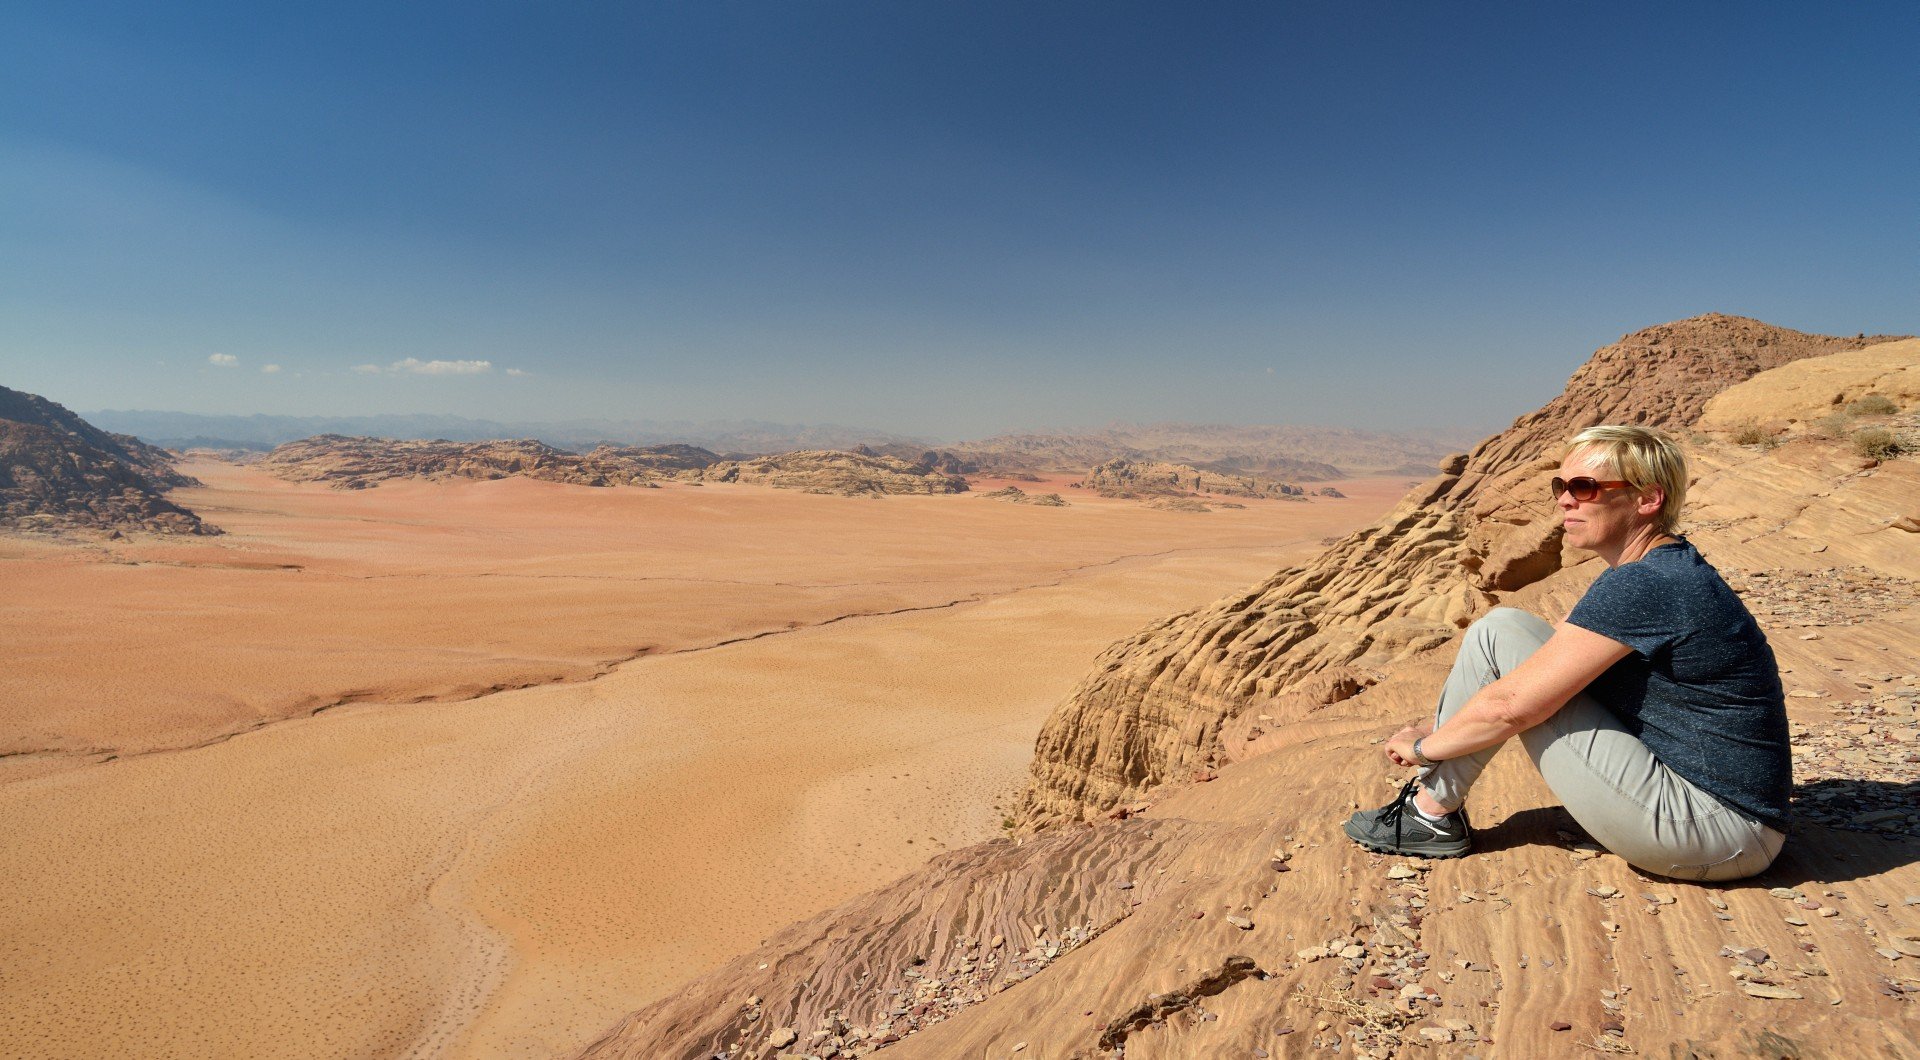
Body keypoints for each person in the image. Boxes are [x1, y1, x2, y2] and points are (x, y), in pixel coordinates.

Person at [1341, 424, 1790, 881]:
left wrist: (1423, 748)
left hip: (1718, 832)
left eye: (1584, 487)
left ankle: (1429, 814)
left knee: (1513, 676)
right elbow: (1546, 656)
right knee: (1502, 628)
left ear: (1647, 499)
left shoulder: (1646, 583)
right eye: (1561, 486)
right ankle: (1433, 811)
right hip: (1717, 818)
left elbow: (1512, 707)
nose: (1564, 500)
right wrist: (1445, 725)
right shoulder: (1657, 567)